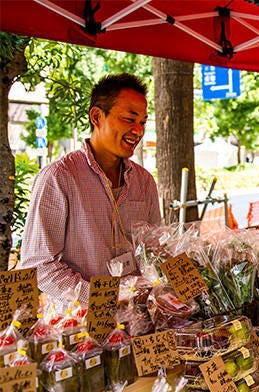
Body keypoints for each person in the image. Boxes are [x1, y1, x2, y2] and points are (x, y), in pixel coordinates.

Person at [20, 73, 161, 304]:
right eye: (129, 119)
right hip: (80, 326)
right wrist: (103, 299)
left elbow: (155, 250)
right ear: (97, 116)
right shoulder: (59, 178)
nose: (139, 130)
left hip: (140, 320)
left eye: (143, 122)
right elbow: (40, 266)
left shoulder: (144, 181)